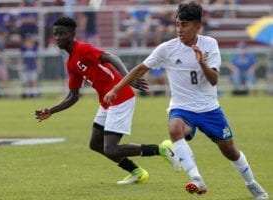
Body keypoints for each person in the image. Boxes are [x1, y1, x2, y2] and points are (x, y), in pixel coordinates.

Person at [104, 2, 268, 199]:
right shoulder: (167, 49)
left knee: (230, 151)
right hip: (182, 108)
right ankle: (197, 179)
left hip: (209, 109)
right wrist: (116, 88)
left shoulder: (210, 44)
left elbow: (214, 80)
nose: (179, 29)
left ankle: (251, 184)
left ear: (197, 26)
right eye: (177, 24)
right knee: (174, 129)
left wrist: (201, 62)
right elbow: (141, 68)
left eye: (185, 25)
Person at [35, 17, 180, 185]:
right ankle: (137, 172)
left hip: (121, 97)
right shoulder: (71, 63)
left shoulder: (83, 49)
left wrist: (127, 78)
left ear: (73, 34)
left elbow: (111, 57)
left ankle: (162, 149)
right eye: (55, 34)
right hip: (107, 102)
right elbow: (73, 95)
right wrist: (51, 110)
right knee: (95, 144)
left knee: (111, 149)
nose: (58, 38)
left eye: (62, 33)